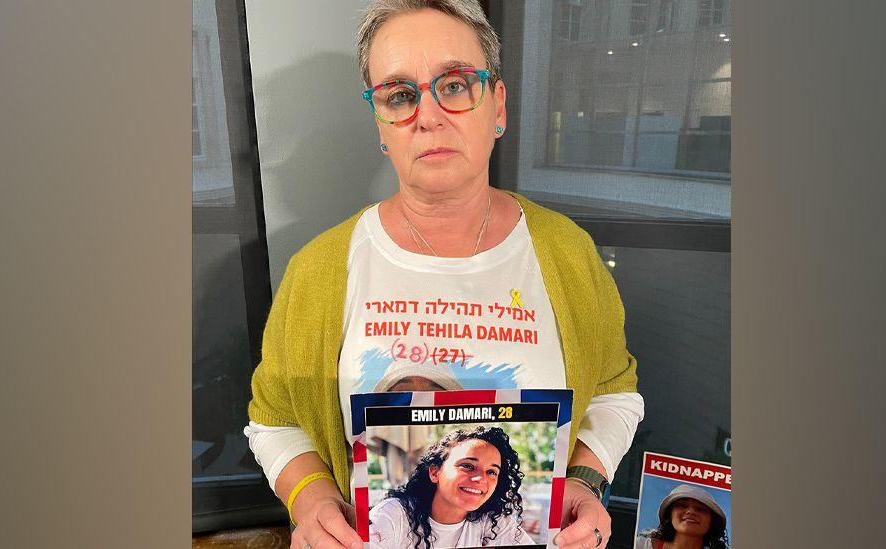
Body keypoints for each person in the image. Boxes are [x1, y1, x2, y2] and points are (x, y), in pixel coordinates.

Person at [243, 2, 646, 548]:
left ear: (497, 106)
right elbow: (275, 419)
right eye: (401, 95)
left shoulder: (567, 254)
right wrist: (311, 496)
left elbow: (613, 392)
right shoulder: (320, 270)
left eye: (455, 85)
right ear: (380, 122)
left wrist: (584, 480)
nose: (428, 116)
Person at [369, 426, 532, 548]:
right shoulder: (394, 515)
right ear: (434, 472)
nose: (481, 478)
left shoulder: (495, 521)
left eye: (491, 472)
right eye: (468, 466)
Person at [634, 484, 729, 549]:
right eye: (682, 505)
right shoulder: (640, 545)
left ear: (712, 522)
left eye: (701, 509)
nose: (691, 511)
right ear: (669, 514)